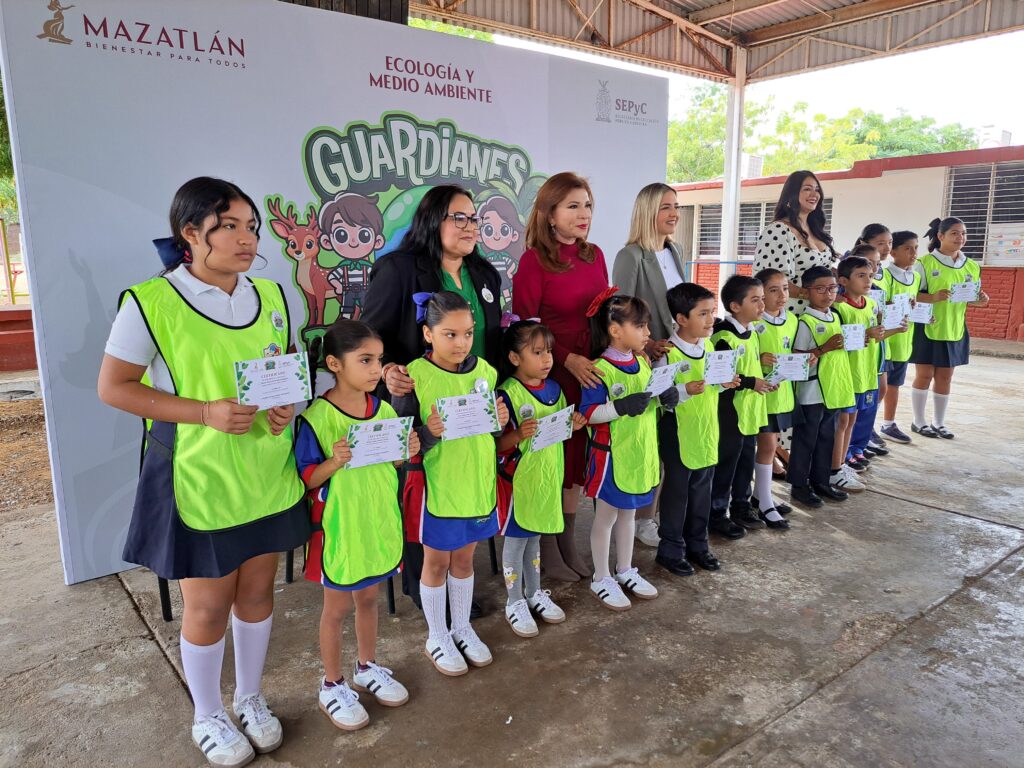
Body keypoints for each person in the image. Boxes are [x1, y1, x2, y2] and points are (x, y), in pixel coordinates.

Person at [97, 177, 311, 767]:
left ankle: (249, 697)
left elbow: (279, 372)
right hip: (199, 478)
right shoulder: (151, 302)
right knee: (208, 606)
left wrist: (282, 407)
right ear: (190, 234)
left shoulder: (271, 295)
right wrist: (204, 413)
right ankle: (207, 714)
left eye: (252, 227)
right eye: (230, 226)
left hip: (266, 473)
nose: (247, 239)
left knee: (258, 593)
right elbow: (114, 388)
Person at [361, 185, 503, 612]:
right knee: (427, 495)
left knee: (466, 489)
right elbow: (371, 334)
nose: (469, 226)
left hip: (473, 404)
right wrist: (385, 369)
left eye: (473, 218)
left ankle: (457, 590)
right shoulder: (399, 269)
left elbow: (491, 342)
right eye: (458, 217)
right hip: (418, 399)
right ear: (431, 221)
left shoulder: (484, 274)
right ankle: (427, 594)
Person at [296, 320, 416, 730]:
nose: (374, 369)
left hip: (377, 521)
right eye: (365, 360)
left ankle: (367, 666)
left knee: (369, 599)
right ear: (334, 363)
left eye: (378, 361)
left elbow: (393, 462)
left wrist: (407, 450)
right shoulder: (316, 417)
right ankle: (332, 684)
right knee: (337, 608)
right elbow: (305, 479)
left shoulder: (382, 409)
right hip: (341, 528)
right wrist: (334, 462)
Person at [392, 292, 510, 676]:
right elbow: (402, 445)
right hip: (438, 487)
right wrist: (428, 433)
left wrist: (500, 419)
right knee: (436, 562)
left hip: (477, 482)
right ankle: (437, 634)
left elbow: (490, 432)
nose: (461, 344)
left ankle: (462, 627)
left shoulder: (486, 373)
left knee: (465, 560)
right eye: (449, 335)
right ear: (427, 334)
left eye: (468, 334)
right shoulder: (413, 378)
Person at [513, 172, 611, 582]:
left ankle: (567, 540)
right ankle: (548, 547)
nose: (583, 213)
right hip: (554, 372)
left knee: (576, 459)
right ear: (549, 214)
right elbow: (521, 328)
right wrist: (565, 358)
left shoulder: (596, 255)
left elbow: (605, 313)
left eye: (587, 204)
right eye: (572, 205)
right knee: (551, 457)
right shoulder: (534, 261)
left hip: (590, 371)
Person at [581, 292, 673, 610]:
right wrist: (618, 407)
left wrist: (668, 397)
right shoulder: (599, 370)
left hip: (639, 452)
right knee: (606, 517)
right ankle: (601, 577)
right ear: (616, 329)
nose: (648, 333)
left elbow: (650, 396)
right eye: (641, 326)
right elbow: (589, 415)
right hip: (611, 456)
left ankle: (625, 570)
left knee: (629, 515)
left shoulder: (642, 361)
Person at [495, 319, 586, 637]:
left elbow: (559, 426)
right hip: (520, 481)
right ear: (515, 358)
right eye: (537, 352)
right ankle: (514, 601)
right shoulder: (507, 395)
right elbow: (495, 445)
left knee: (534, 538)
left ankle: (534, 593)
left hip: (547, 477)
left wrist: (574, 423)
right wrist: (518, 434)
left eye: (548, 351)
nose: (547, 359)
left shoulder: (554, 389)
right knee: (517, 540)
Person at [612, 182, 686, 549]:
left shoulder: (676, 250)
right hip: (646, 359)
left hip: (676, 358)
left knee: (669, 440)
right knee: (647, 440)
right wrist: (646, 345)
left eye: (677, 206)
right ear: (648, 212)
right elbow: (622, 313)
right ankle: (640, 519)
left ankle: (652, 515)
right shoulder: (631, 256)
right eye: (666, 207)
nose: (674, 213)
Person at [655, 283, 740, 576]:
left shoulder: (709, 345)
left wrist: (724, 382)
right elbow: (659, 398)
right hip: (678, 432)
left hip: (706, 430)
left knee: (702, 490)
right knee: (678, 493)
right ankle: (670, 549)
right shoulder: (667, 354)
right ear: (681, 319)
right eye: (703, 313)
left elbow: (711, 382)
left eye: (712, 312)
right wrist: (684, 389)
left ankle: (698, 545)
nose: (710, 320)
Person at [909, 217, 990, 438]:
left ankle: (939, 422)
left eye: (963, 233)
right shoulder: (925, 263)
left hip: (955, 328)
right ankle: (918, 421)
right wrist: (933, 297)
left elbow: (970, 297)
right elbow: (911, 296)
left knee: (945, 377)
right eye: (954, 233)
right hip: (927, 327)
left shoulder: (971, 265)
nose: (960, 238)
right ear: (940, 236)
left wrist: (980, 300)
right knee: (924, 375)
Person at [709, 275, 775, 539]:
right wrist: (751, 382)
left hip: (749, 412)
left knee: (745, 460)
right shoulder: (724, 336)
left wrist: (766, 382)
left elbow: (751, 367)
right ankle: (717, 514)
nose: (762, 305)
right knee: (726, 464)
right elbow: (722, 376)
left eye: (762, 299)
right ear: (735, 306)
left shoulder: (752, 332)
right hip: (730, 414)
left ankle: (741, 506)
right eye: (755, 300)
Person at [788, 266, 855, 509]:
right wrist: (823, 348)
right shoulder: (805, 322)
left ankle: (820, 481)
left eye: (832, 288)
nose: (827, 294)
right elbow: (797, 357)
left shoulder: (835, 316)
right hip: (812, 391)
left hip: (833, 388)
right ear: (807, 291)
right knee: (806, 439)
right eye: (820, 289)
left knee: (826, 437)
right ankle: (799, 485)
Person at [832, 252, 889, 493]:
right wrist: (868, 335)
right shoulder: (838, 307)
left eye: (871, 275)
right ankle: (834, 470)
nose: (868, 281)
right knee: (842, 421)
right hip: (847, 374)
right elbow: (838, 342)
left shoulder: (873, 304)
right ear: (843, 280)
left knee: (852, 420)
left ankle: (842, 463)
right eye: (861, 276)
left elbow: (876, 337)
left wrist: (894, 328)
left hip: (865, 373)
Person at [751, 268, 801, 529]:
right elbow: (745, 358)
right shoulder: (755, 324)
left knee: (771, 445)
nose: (782, 295)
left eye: (785, 288)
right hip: (760, 396)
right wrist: (759, 361)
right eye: (773, 290)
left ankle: (760, 495)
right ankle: (764, 503)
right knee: (768, 447)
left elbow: (790, 351)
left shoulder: (791, 320)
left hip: (782, 394)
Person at [753, 171, 839, 315]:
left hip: (818, 315)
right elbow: (771, 282)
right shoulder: (779, 230)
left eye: (817, 190)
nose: (814, 194)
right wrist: (812, 295)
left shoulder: (817, 231)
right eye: (807, 189)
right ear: (791, 194)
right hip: (789, 316)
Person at [878, 231, 922, 444]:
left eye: (916, 248)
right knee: (879, 387)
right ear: (893, 251)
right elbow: (881, 305)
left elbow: (912, 306)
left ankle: (888, 424)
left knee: (895, 385)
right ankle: (868, 428)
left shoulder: (916, 276)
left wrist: (920, 312)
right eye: (908, 248)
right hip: (886, 339)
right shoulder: (885, 276)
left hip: (904, 339)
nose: (913, 253)